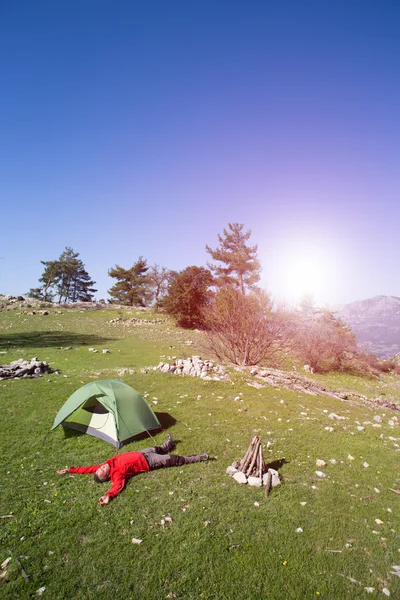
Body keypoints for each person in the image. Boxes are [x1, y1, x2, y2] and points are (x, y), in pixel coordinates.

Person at [56, 434, 208, 505]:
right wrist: (108, 495)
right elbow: (117, 486)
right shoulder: (117, 474)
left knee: (160, 448)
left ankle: (169, 442)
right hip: (150, 462)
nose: (101, 467)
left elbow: (87, 469)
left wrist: (71, 470)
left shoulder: (107, 465)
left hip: (143, 452)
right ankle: (199, 457)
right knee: (174, 460)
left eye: (99, 468)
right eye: (102, 470)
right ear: (107, 475)